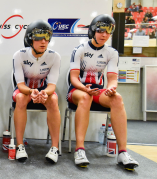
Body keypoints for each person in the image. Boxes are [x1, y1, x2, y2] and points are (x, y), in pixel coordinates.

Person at [68, 14, 139, 170]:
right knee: (86, 97)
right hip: (78, 89)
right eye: (101, 31)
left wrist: (111, 88)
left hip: (98, 90)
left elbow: (112, 78)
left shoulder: (112, 52)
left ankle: (122, 152)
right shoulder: (79, 50)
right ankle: (79, 150)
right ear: (93, 30)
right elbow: (73, 78)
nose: (104, 35)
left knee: (117, 99)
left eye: (108, 32)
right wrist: (84, 88)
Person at [12, 20, 61, 163]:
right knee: (21, 98)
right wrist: (32, 91)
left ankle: (54, 147)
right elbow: (20, 85)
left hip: (44, 91)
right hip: (25, 90)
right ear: (30, 39)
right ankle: (20, 146)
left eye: (47, 38)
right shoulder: (19, 55)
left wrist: (44, 92)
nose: (43, 42)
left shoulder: (54, 56)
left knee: (53, 99)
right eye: (39, 38)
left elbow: (52, 85)